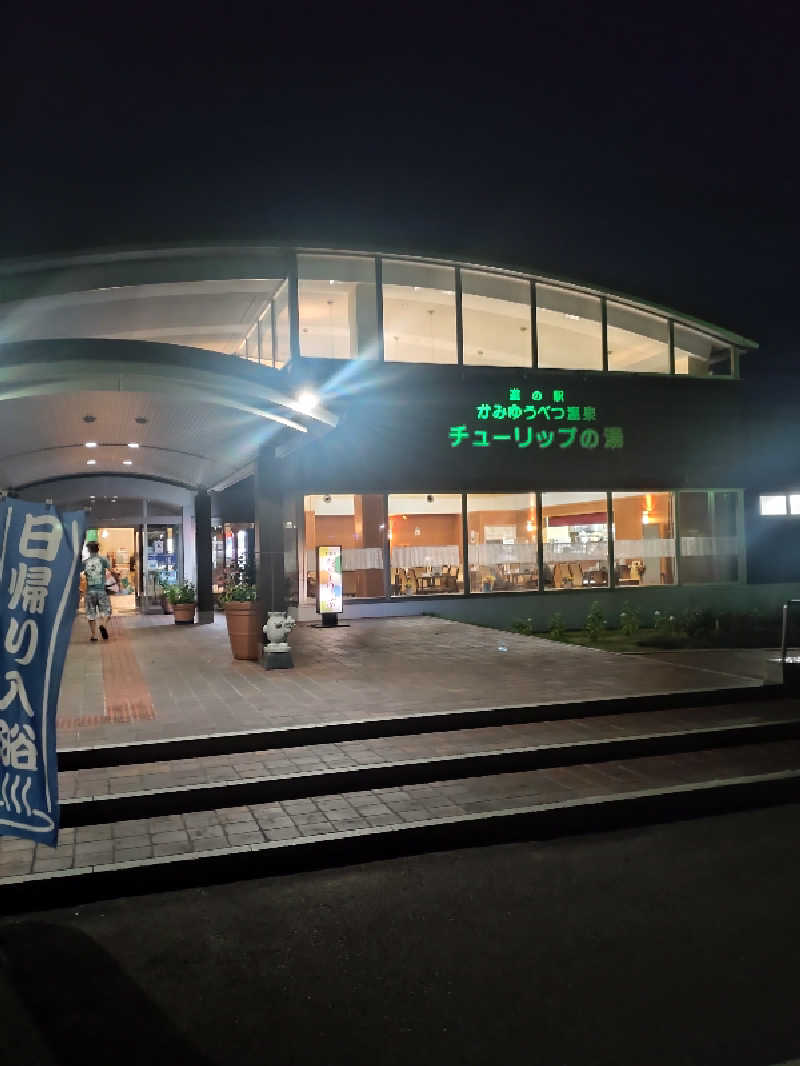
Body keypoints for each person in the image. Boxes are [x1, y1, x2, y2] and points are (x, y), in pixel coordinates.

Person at [82, 541, 112, 641]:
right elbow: (110, 568)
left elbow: (81, 571)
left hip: (90, 591)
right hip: (101, 591)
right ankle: (103, 625)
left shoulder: (85, 562)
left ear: (89, 550)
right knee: (107, 611)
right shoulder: (103, 560)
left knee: (91, 614)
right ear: (98, 549)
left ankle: (94, 635)